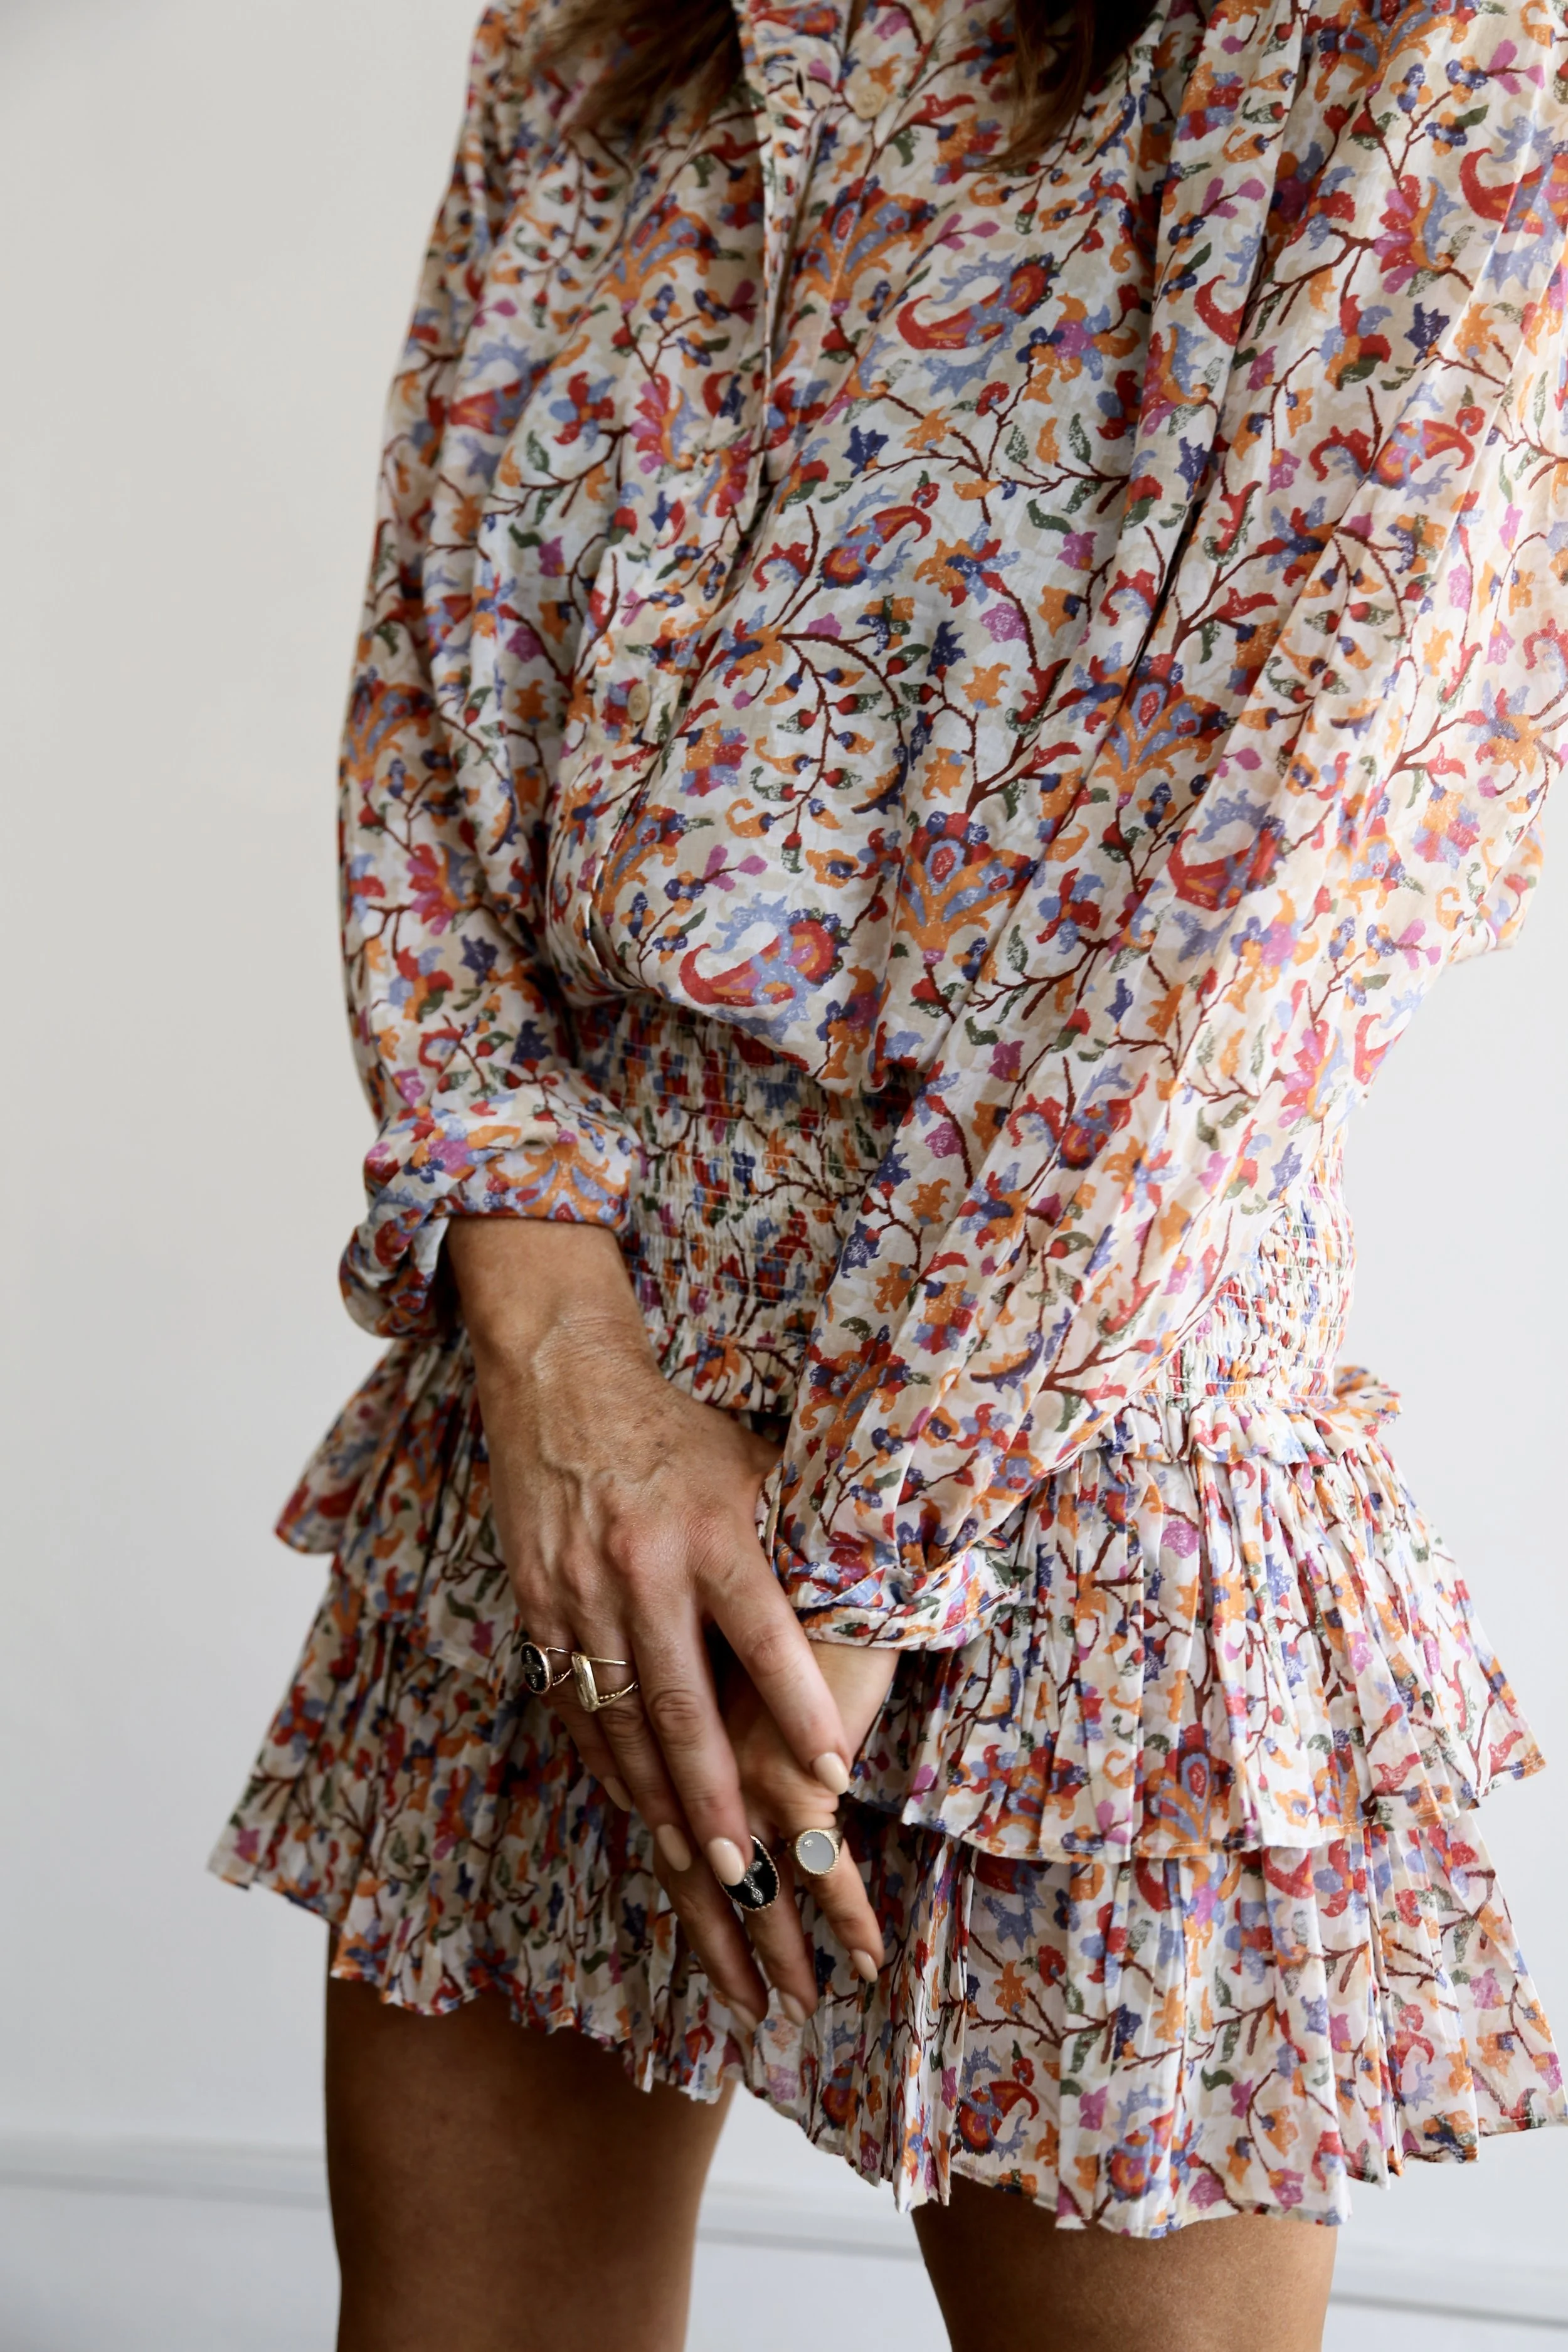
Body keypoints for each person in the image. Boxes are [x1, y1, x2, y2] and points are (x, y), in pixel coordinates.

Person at [212, 0, 1568, 2341]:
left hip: (1072, 1458)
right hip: (562, 1436)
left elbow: (1233, 908)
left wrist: (844, 1558)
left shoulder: (1416, 55)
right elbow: (421, 721)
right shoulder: (582, 42)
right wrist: (554, 1347)